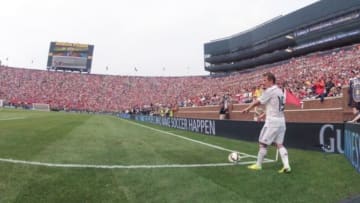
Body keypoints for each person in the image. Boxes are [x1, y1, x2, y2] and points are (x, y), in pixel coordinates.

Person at [240, 72, 291, 173]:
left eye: (264, 80)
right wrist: (262, 116)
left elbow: (258, 102)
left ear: (271, 81)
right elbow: (274, 107)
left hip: (272, 122)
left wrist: (247, 108)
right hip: (281, 121)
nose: (263, 82)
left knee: (263, 143)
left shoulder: (270, 91)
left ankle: (258, 165)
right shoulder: (280, 91)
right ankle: (286, 166)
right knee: (279, 144)